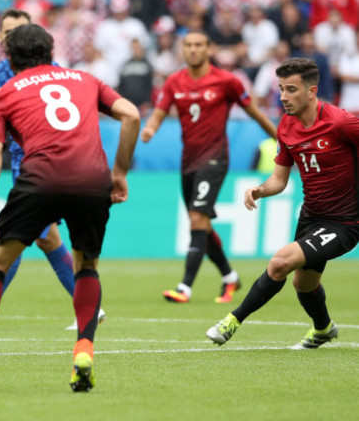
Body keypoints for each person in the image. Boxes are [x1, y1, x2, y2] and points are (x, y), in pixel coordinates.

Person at [0, 23, 140, 392]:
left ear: (10, 58)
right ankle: (84, 349)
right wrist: (119, 172)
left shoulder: (4, 94)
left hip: (39, 181)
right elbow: (131, 115)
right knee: (86, 264)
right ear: (51, 51)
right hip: (92, 181)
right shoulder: (85, 79)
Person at [0, 8, 105, 331]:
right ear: (1, 38)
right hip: (22, 161)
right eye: (6, 32)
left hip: (45, 163)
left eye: (18, 30)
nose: (11, 37)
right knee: (42, 237)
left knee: (24, 235)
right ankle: (88, 307)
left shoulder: (54, 72)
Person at [206, 57, 359, 349]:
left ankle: (231, 321)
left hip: (345, 222)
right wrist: (260, 190)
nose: (283, 97)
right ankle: (324, 329)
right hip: (311, 217)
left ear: (312, 92)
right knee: (304, 284)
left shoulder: (340, 122)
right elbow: (279, 179)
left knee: (280, 263)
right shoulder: (286, 127)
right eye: (281, 89)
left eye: (291, 89)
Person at [140, 31, 277, 304]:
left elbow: (254, 112)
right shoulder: (174, 81)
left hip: (215, 158)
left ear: (208, 47)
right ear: (183, 49)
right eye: (188, 45)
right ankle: (230, 278)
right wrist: (149, 130)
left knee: (196, 220)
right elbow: (158, 113)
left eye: (198, 44)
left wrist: (280, 138)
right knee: (201, 224)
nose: (193, 49)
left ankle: (185, 287)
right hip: (188, 161)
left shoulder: (226, 81)